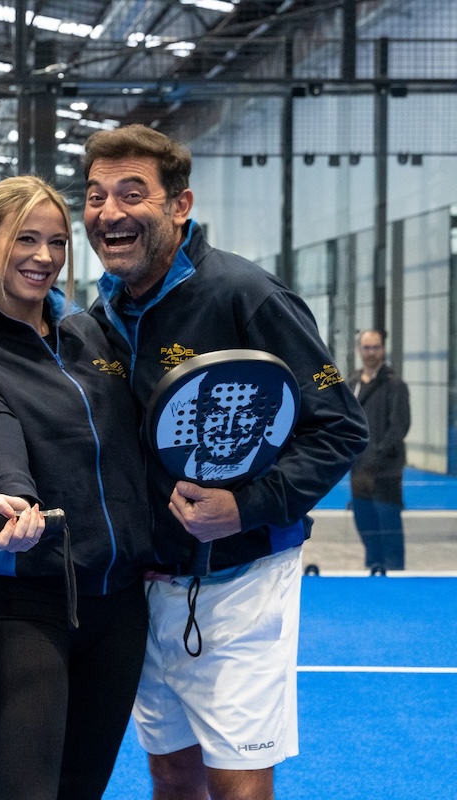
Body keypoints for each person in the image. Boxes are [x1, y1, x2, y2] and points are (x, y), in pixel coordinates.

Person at [83, 124, 368, 800]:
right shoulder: (106, 311)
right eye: (95, 196)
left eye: (132, 193)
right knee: (171, 772)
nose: (110, 212)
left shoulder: (248, 295)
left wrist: (243, 507)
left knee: (237, 782)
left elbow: (339, 427)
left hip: (246, 582)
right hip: (149, 586)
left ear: (179, 206)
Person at [0, 175, 152, 799]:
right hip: (28, 602)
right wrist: (12, 495)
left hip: (121, 606)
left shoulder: (96, 334)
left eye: (57, 242)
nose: (44, 257)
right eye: (26, 239)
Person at [348, 329, 410, 571]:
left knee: (389, 530)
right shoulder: (352, 383)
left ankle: (395, 578)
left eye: (375, 347)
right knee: (366, 527)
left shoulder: (395, 385)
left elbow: (399, 427)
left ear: (383, 349)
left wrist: (374, 459)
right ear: (359, 350)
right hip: (359, 471)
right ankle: (373, 572)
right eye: (366, 348)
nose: (371, 352)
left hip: (385, 472)